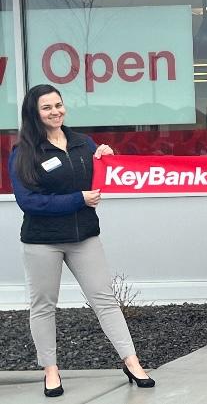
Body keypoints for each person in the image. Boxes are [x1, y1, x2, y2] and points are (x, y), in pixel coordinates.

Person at [11, 85, 155, 397]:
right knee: (43, 306)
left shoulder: (83, 143)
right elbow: (29, 202)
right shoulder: (23, 152)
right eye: (46, 107)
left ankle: (131, 361)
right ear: (34, 114)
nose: (55, 112)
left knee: (104, 300)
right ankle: (51, 369)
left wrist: (105, 158)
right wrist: (78, 199)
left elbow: (99, 177)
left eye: (58, 105)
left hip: (84, 237)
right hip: (42, 242)